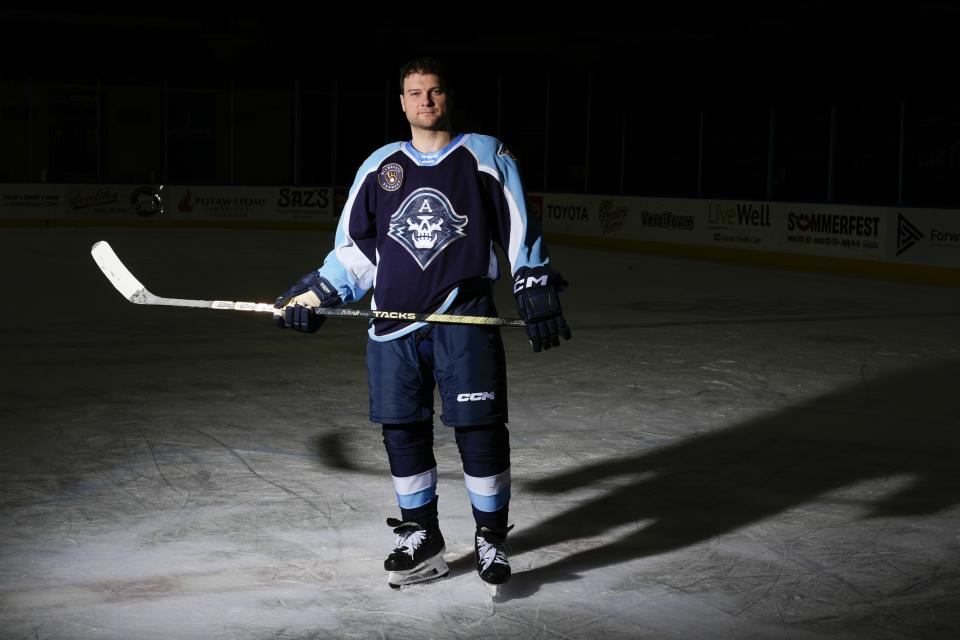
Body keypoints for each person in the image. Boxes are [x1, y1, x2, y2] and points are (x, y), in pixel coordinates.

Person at [273, 57, 571, 595]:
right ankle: (423, 534)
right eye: (415, 93)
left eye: (434, 92)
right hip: (393, 323)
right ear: (402, 102)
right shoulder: (380, 166)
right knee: (402, 432)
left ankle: (490, 537)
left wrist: (532, 279)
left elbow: (518, 224)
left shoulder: (484, 154)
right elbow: (358, 250)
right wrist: (320, 291)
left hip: (464, 316)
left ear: (448, 97)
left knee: (479, 431)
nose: (425, 102)